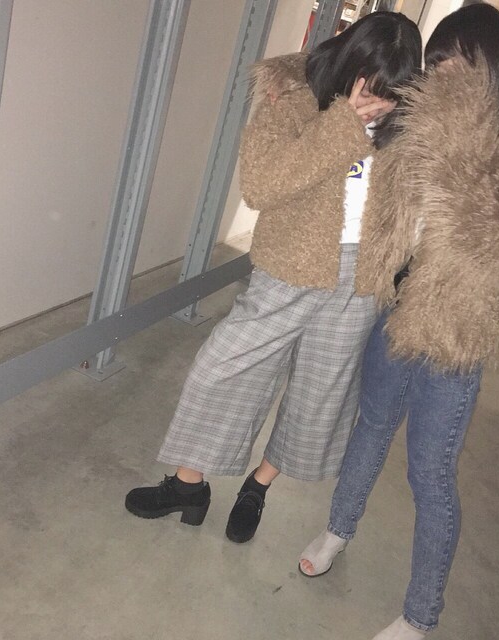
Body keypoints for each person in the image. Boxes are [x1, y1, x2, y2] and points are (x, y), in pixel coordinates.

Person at [299, 4, 499, 639]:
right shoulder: (426, 119)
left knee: (430, 471)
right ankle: (338, 528)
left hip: (456, 333)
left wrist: (456, 129)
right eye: (437, 63)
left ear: (490, 64)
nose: (441, 75)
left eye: (455, 63)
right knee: (370, 428)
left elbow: (494, 239)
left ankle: (420, 615)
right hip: (397, 309)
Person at [124, 12, 423, 544]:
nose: (380, 103)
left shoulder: (408, 126)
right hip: (289, 267)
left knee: (318, 397)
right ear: (350, 65)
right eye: (372, 89)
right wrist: (343, 124)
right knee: (220, 371)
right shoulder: (294, 98)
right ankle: (189, 486)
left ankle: (258, 486)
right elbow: (261, 185)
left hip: (360, 282)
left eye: (392, 93)